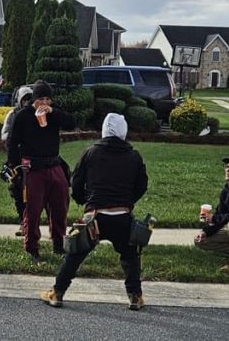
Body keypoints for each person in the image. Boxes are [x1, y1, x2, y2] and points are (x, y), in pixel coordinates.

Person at [40, 113, 149, 311]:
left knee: (75, 254)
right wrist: (128, 202)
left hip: (95, 217)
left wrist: (84, 201)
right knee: (131, 256)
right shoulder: (134, 156)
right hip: (122, 216)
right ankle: (135, 296)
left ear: (105, 130)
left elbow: (76, 182)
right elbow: (142, 185)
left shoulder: (90, 153)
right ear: (123, 131)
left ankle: (57, 293)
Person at [7, 80, 76, 262]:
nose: (44, 103)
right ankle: (32, 248)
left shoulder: (54, 113)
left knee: (60, 206)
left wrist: (53, 112)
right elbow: (13, 143)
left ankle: (58, 243)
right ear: (33, 100)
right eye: (40, 99)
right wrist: (14, 168)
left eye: (47, 99)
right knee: (33, 209)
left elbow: (71, 122)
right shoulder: (23, 116)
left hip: (53, 164)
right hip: (33, 168)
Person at [0, 85, 34, 237]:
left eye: (29, 99)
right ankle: (23, 223)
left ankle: (33, 223)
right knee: (18, 192)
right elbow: (4, 134)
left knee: (35, 194)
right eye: (24, 99)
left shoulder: (37, 114)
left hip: (34, 159)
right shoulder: (12, 115)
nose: (27, 102)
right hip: (16, 160)